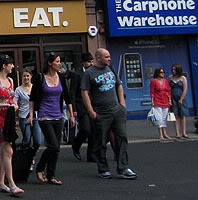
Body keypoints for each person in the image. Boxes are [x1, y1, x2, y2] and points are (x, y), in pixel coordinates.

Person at [81, 48, 137, 180]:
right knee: (100, 141)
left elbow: (119, 85)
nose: (109, 59)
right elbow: (84, 92)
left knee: (122, 138)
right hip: (101, 112)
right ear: (98, 58)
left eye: (109, 56)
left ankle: (123, 168)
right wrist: (91, 111)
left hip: (116, 110)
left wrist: (122, 105)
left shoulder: (110, 69)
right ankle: (103, 169)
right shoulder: (89, 73)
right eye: (106, 57)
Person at [30, 54, 75, 185]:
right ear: (49, 63)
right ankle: (40, 167)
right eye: (57, 61)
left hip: (58, 116)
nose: (59, 64)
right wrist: (32, 115)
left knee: (56, 148)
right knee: (53, 145)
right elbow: (32, 98)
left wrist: (71, 115)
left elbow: (67, 96)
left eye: (60, 61)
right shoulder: (40, 78)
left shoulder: (61, 77)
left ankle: (51, 175)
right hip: (44, 115)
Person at [0, 54, 23, 196]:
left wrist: (14, 104)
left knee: (4, 152)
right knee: (8, 151)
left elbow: (12, 97)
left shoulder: (10, 80)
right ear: (4, 66)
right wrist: (4, 105)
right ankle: (12, 184)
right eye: (10, 64)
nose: (13, 66)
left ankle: (1, 183)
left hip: (8, 118)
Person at [70, 52, 96, 162]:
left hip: (93, 105)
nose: (90, 64)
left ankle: (91, 155)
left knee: (94, 131)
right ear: (83, 63)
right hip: (81, 106)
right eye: (88, 62)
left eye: (92, 61)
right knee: (86, 129)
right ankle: (76, 144)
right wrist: (74, 110)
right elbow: (72, 92)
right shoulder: (77, 74)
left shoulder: (94, 72)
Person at [14, 69, 41, 168]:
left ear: (31, 77)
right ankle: (29, 160)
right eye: (24, 76)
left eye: (27, 76)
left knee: (37, 141)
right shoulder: (18, 90)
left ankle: (31, 155)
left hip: (35, 116)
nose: (26, 78)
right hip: (24, 117)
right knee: (27, 140)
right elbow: (15, 102)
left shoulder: (35, 88)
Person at [149, 67, 172, 141]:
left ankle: (165, 133)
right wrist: (152, 101)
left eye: (163, 72)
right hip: (157, 100)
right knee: (159, 118)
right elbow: (152, 91)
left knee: (164, 118)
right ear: (158, 73)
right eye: (161, 72)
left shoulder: (165, 81)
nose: (163, 74)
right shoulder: (153, 81)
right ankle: (161, 134)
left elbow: (168, 91)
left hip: (165, 100)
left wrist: (170, 100)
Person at [168, 64, 188, 139]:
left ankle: (184, 132)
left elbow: (185, 89)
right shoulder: (170, 78)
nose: (173, 71)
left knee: (182, 115)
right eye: (172, 69)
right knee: (175, 115)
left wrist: (181, 99)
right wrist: (169, 99)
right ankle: (177, 133)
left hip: (181, 98)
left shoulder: (183, 78)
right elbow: (168, 88)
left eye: (175, 69)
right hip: (173, 98)